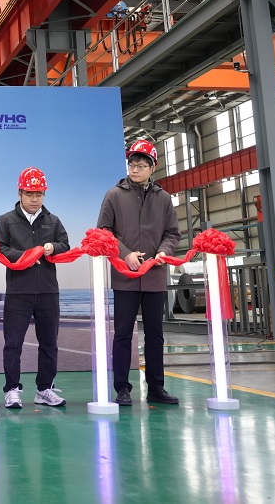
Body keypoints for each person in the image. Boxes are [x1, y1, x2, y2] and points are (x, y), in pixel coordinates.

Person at [97, 139, 181, 407]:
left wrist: (163, 252)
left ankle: (156, 387)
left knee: (155, 335)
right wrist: (126, 254)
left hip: (155, 276)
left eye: (141, 165)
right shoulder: (114, 195)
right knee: (123, 334)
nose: (135, 169)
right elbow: (103, 231)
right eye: (132, 164)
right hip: (125, 277)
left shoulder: (164, 198)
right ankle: (122, 388)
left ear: (152, 168)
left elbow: (172, 233)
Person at [0, 167, 70, 409]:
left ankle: (45, 389)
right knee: (13, 343)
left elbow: (65, 245)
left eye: (39, 194)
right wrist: (25, 256)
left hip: (48, 290)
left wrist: (52, 248)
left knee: (49, 343)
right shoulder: (6, 220)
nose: (34, 199)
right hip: (19, 291)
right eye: (29, 194)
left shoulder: (53, 220)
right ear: (19, 193)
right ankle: (12, 390)